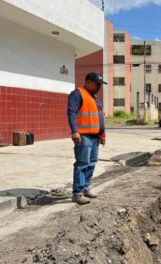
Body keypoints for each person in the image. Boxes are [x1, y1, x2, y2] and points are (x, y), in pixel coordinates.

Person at [67, 72, 106, 205]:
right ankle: (77, 193)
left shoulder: (94, 99)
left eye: (100, 85)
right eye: (97, 84)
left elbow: (100, 117)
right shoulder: (77, 94)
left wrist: (102, 134)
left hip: (95, 136)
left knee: (92, 163)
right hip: (83, 136)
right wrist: (74, 131)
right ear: (88, 81)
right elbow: (71, 111)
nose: (99, 87)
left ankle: (85, 188)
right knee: (82, 163)